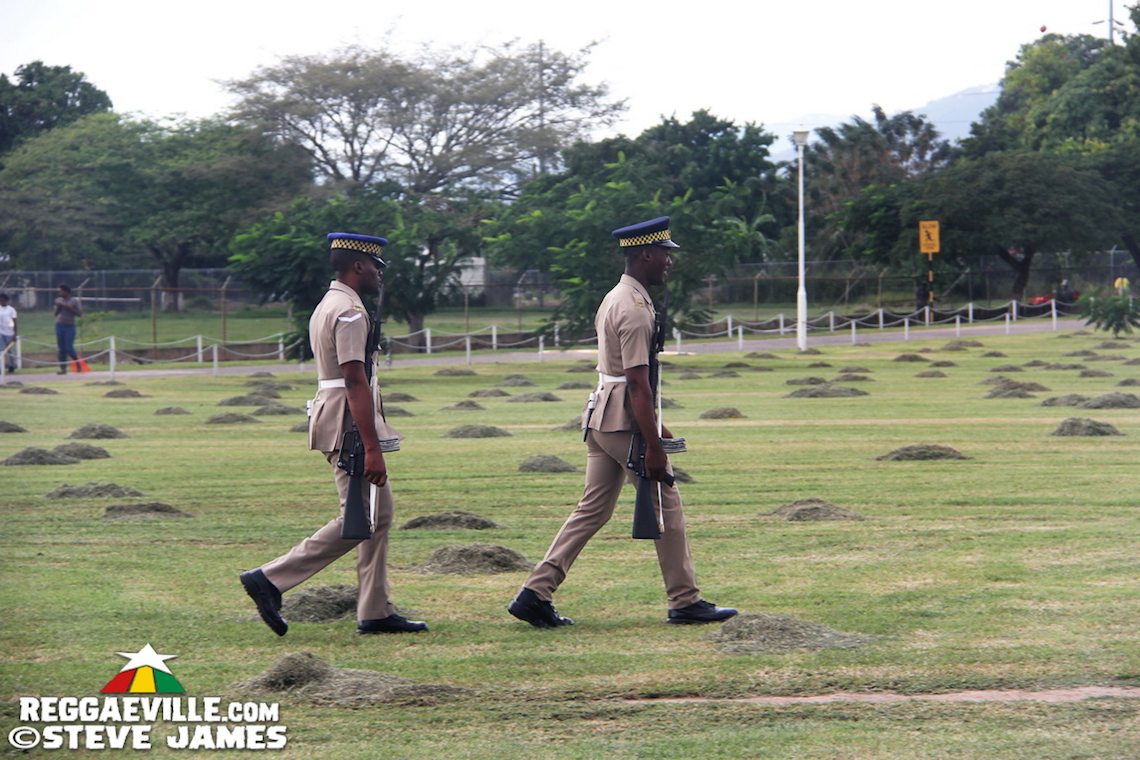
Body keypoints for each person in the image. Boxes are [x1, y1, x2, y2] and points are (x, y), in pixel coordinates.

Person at [508, 216, 738, 628]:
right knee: (665, 500)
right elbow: (636, 381)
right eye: (665, 255)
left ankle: (534, 593)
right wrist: (653, 445)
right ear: (646, 254)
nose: (670, 262)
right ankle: (685, 600)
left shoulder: (621, 296)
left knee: (592, 509)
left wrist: (659, 431)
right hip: (621, 419)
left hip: (603, 413)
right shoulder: (632, 308)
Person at [240, 232, 427, 636]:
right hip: (349, 422)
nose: (379, 274)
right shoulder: (349, 312)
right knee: (358, 519)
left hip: (342, 416)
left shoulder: (333, 303)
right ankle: (270, 579)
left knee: (378, 514)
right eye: (376, 267)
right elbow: (354, 379)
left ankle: (375, 610)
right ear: (358, 266)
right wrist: (373, 448)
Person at [53, 284, 82, 374]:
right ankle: (63, 369)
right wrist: (59, 306)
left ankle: (78, 364)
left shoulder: (74, 301)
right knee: (61, 348)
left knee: (69, 347)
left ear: (67, 292)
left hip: (70, 326)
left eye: (61, 291)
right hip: (59, 325)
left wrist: (68, 307)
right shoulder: (58, 300)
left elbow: (79, 314)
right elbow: (55, 314)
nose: (59, 293)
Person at [0, 293, 17, 373]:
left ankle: (12, 366)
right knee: (0, 350)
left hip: (9, 332)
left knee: (10, 350)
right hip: (1, 332)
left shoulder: (11, 310)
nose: (1, 302)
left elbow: (14, 322)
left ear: (6, 300)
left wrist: (14, 333)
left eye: (3, 300)